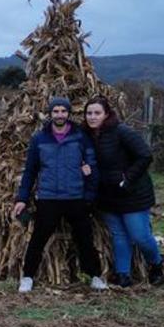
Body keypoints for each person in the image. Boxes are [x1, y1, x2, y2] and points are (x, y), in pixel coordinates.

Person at [13, 97, 106, 293]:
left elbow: (93, 168)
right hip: (48, 198)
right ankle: (27, 276)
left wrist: (89, 196)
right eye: (56, 111)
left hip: (76, 197)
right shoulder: (40, 138)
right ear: (50, 113)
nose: (60, 115)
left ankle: (95, 276)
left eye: (63, 111)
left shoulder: (80, 136)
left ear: (69, 113)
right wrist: (21, 198)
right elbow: (30, 171)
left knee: (84, 239)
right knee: (38, 238)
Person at [83, 96, 164, 287]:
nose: (93, 117)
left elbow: (145, 155)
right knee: (119, 235)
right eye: (89, 113)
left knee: (139, 235)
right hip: (107, 196)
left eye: (97, 113)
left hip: (132, 195)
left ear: (106, 114)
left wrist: (126, 179)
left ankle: (156, 265)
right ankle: (123, 274)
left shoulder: (122, 132)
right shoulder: (86, 136)